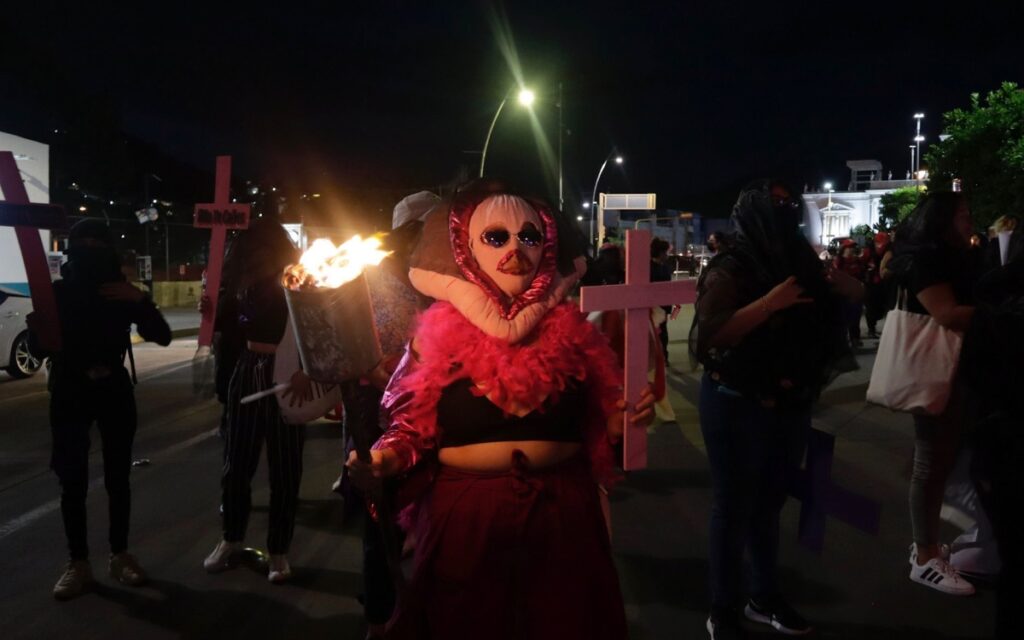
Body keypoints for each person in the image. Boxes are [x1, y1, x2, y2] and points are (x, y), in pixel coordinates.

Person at [348, 181, 653, 639]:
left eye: (529, 237)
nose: (516, 249)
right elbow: (410, 425)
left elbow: (598, 420)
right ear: (467, 250)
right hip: (467, 519)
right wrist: (383, 460)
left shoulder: (572, 330)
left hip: (563, 515)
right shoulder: (435, 337)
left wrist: (621, 420)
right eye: (496, 238)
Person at [690, 179, 861, 639]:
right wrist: (768, 303)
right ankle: (721, 606)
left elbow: (826, 326)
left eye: (790, 205)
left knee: (769, 504)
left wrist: (852, 291)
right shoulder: (733, 266)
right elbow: (712, 334)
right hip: (734, 402)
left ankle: (764, 596)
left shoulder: (803, 261)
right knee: (733, 505)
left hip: (788, 404)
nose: (785, 212)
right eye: (776, 206)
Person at [29, 219, 172, 600]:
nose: (91, 248)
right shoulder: (56, 293)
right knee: (71, 481)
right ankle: (78, 563)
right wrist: (38, 328)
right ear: (72, 249)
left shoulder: (120, 291)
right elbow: (40, 348)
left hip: (113, 388)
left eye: (98, 242)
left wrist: (139, 301)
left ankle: (119, 554)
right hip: (70, 390)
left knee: (117, 478)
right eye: (84, 242)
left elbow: (163, 335)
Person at [203, 218, 311, 584]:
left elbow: (318, 328)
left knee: (285, 468)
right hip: (248, 369)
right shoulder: (239, 281)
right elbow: (222, 327)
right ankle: (231, 539)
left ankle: (279, 551)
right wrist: (211, 306)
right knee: (237, 463)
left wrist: (308, 371)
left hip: (289, 373)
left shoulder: (299, 277)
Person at [888, 191, 979, 596]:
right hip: (935, 368)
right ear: (941, 220)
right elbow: (946, 314)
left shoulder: (952, 256)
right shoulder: (927, 261)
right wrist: (1002, 309)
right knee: (931, 462)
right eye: (962, 214)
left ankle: (927, 547)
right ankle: (925, 557)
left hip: (955, 369)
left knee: (942, 458)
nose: (970, 220)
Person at [832, 239, 867, 347]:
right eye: (850, 247)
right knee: (843, 318)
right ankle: (842, 340)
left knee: (855, 317)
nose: (852, 250)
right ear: (843, 249)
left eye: (853, 248)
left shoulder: (857, 261)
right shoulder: (839, 261)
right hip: (843, 294)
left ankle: (855, 338)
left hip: (855, 294)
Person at [864, 231, 893, 338]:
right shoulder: (869, 252)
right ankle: (871, 329)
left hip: (883, 282)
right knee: (872, 307)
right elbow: (863, 264)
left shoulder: (889, 251)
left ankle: (873, 327)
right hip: (872, 283)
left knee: (881, 306)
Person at [650, 237, 673, 362]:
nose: (667, 255)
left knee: (663, 333)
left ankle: (663, 356)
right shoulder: (648, 268)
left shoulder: (664, 267)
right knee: (654, 333)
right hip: (652, 308)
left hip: (663, 307)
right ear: (660, 253)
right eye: (665, 252)